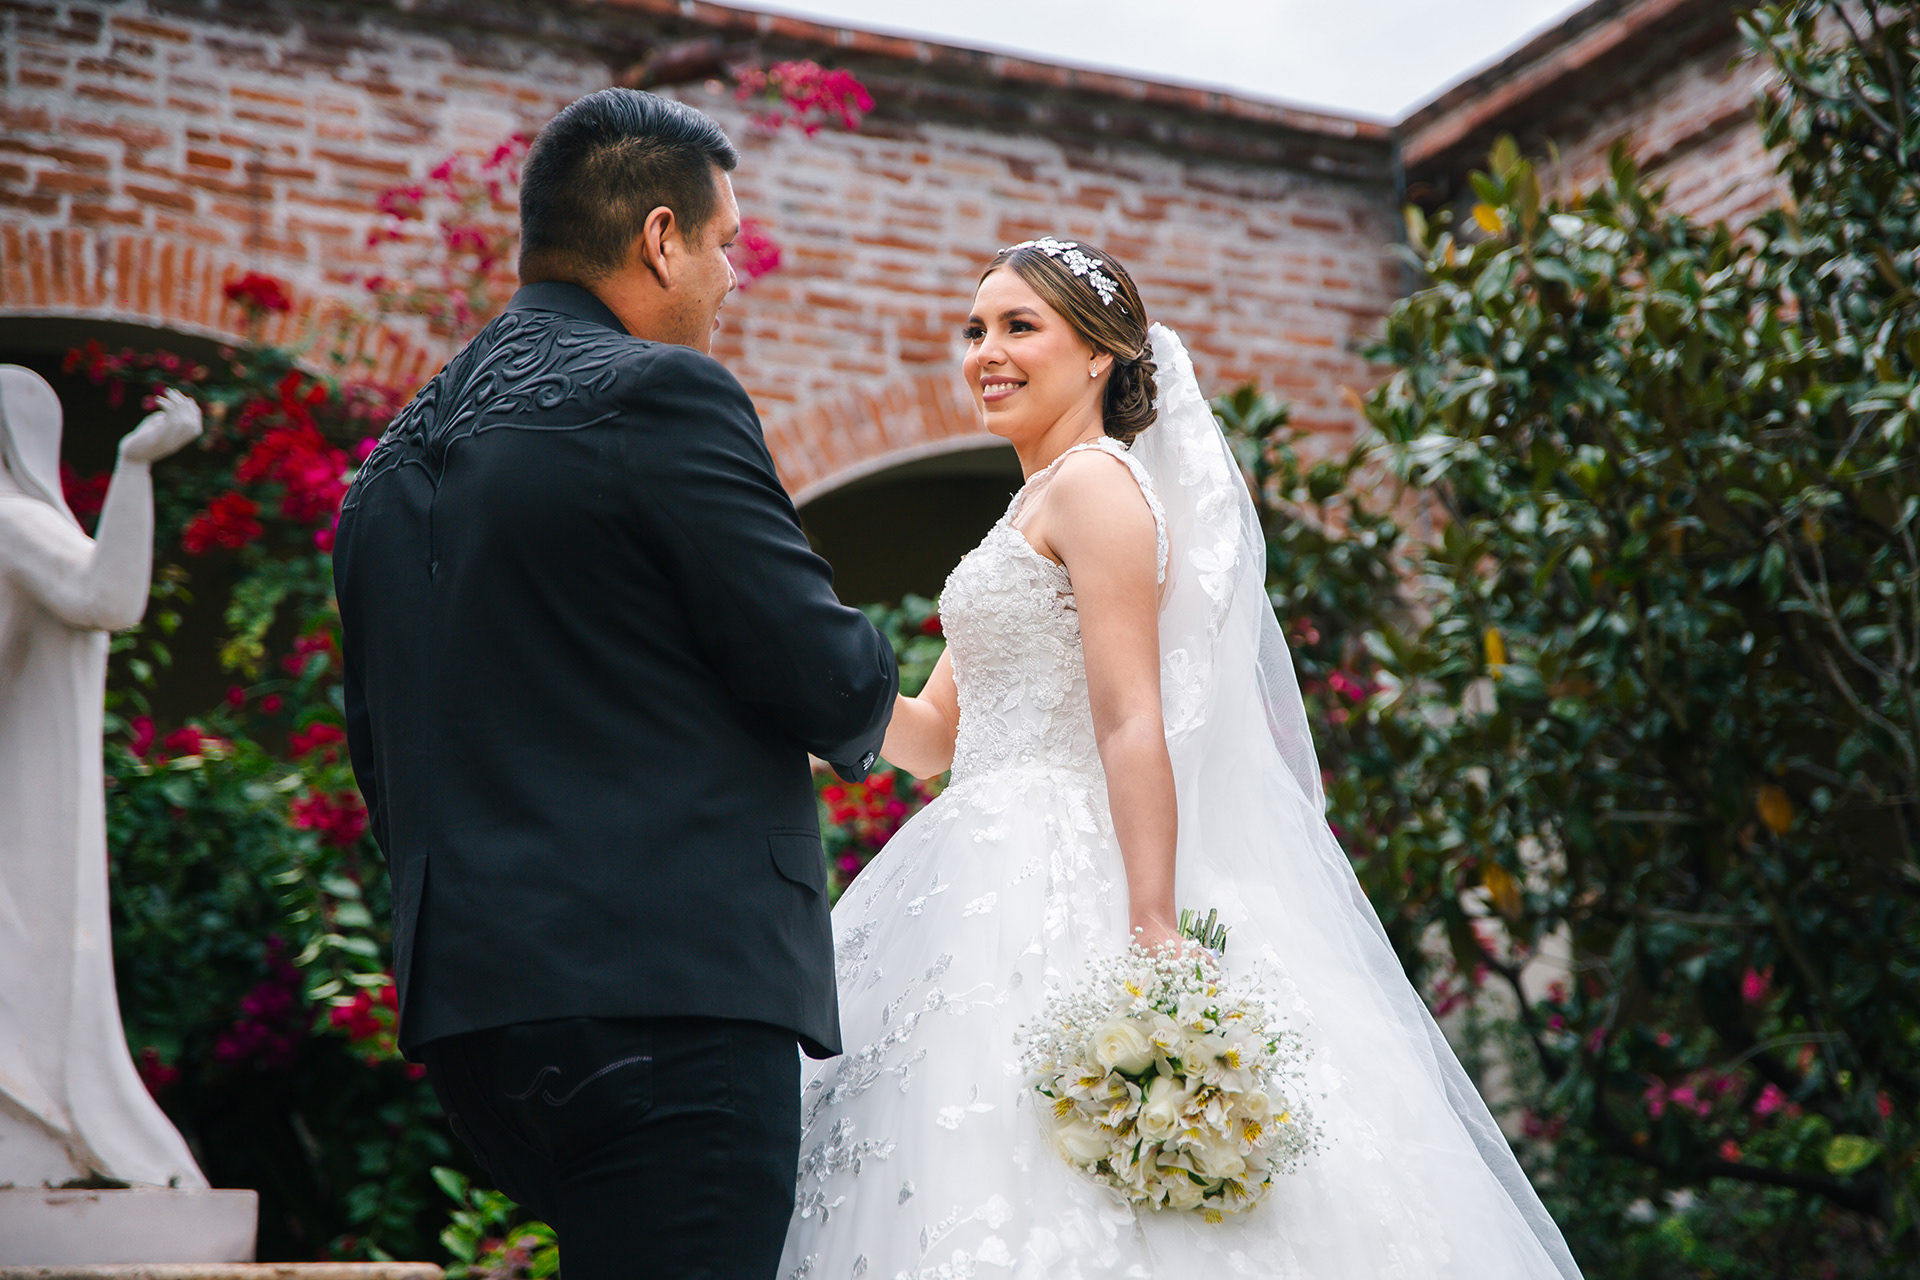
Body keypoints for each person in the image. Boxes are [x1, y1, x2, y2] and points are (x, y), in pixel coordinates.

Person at [778, 239, 1586, 1278]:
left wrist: (1153, 921)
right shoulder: (1029, 506)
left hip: (1056, 859)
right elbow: (934, 737)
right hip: (974, 847)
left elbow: (1130, 718)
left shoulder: (1095, 486)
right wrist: (792, 676)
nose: (987, 352)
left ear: (1099, 354)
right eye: (976, 329)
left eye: (1020, 327)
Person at [332, 89, 897, 1280]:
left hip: (482, 1029)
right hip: (669, 1011)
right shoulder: (659, 393)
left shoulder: (386, 466)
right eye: (726, 243)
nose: (733, 276)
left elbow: (380, 751)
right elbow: (824, 670)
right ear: (660, 237)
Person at [0, 372, 204, 1189]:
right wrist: (134, 465)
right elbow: (107, 597)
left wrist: (135, 466)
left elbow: (105, 597)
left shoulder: (14, 523)